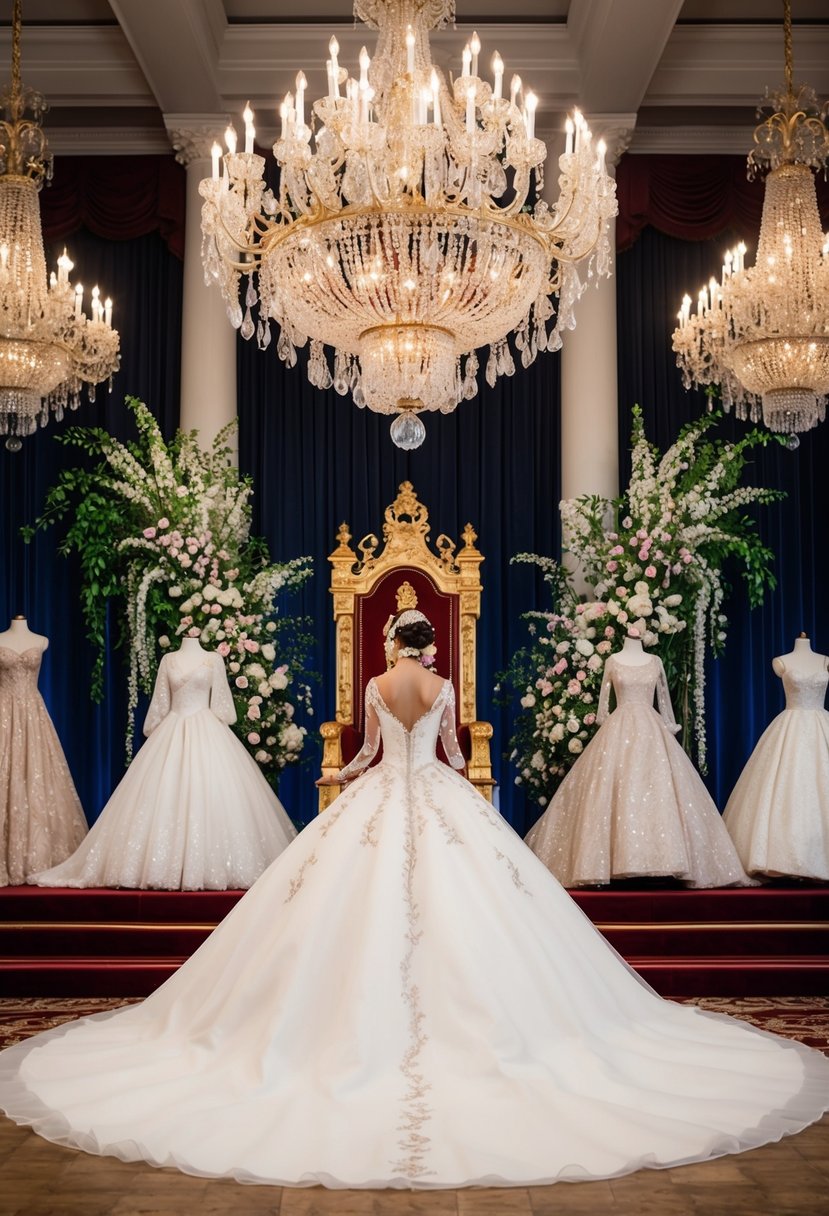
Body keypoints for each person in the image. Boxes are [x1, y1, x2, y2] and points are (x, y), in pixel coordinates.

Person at [0, 609, 827, 1188]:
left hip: (378, 800)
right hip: (435, 795)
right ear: (432, 648)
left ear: (393, 642)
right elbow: (454, 753)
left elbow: (364, 753)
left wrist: (347, 776)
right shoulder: (440, 690)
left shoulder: (372, 682)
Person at [28, 634, 296, 891]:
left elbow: (223, 708)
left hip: (208, 732)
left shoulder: (214, 659)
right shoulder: (168, 660)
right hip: (172, 729)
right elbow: (160, 704)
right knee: (163, 795)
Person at [525, 631, 751, 888]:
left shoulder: (655, 661)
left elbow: (665, 708)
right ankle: (614, 861)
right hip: (618, 728)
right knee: (617, 788)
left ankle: (663, 860)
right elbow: (602, 711)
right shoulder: (612, 661)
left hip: (652, 731)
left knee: (658, 791)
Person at [724, 633, 829, 880]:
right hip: (790, 725)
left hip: (822, 727)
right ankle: (784, 859)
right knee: (787, 789)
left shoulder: (825, 661)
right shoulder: (781, 662)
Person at [0, 615, 87, 886]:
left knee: (37, 775)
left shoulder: (41, 641)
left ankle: (38, 856)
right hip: (3, 714)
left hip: (33, 714)